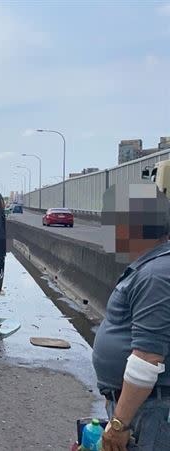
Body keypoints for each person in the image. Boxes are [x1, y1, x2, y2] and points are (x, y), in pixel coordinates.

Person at [92, 184, 170, 451]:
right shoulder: (151, 268)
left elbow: (147, 359)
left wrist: (119, 423)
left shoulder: (156, 276)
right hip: (143, 407)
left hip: (150, 414)